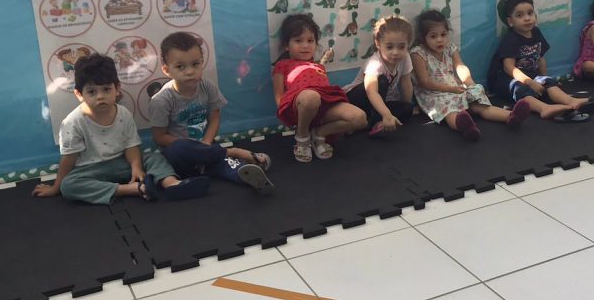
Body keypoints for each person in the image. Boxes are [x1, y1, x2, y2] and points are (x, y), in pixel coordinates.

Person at [32, 53, 209, 204]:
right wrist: (56, 187)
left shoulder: (123, 113)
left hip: (121, 163)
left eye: (106, 89)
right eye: (92, 92)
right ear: (79, 94)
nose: (100, 97)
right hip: (91, 171)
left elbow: (131, 145)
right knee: (69, 186)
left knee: (153, 157)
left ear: (117, 89)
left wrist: (136, 167)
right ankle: (133, 189)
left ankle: (172, 184)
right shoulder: (73, 122)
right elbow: (68, 159)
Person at [150, 32, 273, 194]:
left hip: (208, 149)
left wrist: (206, 143)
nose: (190, 71)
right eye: (180, 67)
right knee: (181, 148)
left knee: (225, 163)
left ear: (202, 62)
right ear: (166, 70)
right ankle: (235, 152)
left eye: (195, 64)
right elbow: (159, 137)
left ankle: (248, 173)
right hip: (181, 155)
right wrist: (194, 147)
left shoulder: (207, 87)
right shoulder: (161, 100)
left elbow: (214, 116)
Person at [411, 9, 530, 141]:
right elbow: (425, 82)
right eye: (433, 36)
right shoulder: (418, 53)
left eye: (443, 34)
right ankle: (463, 125)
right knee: (449, 111)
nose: (440, 40)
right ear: (423, 37)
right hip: (434, 94)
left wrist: (470, 83)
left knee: (478, 103)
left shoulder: (449, 48)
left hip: (455, 89)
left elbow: (460, 66)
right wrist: (450, 89)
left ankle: (511, 116)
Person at [487, 0, 594, 122]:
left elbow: (541, 58)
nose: (527, 18)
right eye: (520, 15)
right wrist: (529, 82)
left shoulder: (536, 32)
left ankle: (571, 101)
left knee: (548, 82)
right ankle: (544, 108)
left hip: (530, 75)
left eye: (530, 13)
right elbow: (509, 68)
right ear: (510, 21)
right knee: (519, 88)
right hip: (506, 78)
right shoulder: (511, 39)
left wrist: (544, 79)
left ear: (535, 15)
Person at [273, 13, 367, 161]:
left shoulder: (318, 66)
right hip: (300, 106)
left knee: (359, 118)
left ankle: (319, 133)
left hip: (324, 104)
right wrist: (286, 116)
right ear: (286, 45)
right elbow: (279, 95)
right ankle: (302, 134)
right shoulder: (282, 65)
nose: (305, 45)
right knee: (311, 96)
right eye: (298, 40)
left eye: (310, 40)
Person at [344, 15, 416, 137]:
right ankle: (374, 121)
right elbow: (371, 92)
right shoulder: (375, 63)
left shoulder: (405, 58)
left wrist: (407, 104)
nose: (395, 52)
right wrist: (387, 115)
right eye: (389, 47)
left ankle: (367, 124)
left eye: (401, 47)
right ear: (378, 43)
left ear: (408, 44)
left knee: (407, 109)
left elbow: (406, 83)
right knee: (382, 80)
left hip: (378, 105)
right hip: (356, 100)